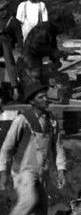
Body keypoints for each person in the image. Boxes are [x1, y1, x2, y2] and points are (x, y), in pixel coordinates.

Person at [0, 81, 67, 215]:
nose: (45, 99)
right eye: (40, 97)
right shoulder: (22, 120)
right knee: (29, 200)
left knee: (40, 209)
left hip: (43, 169)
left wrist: (61, 169)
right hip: (23, 170)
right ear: (32, 101)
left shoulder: (51, 121)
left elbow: (58, 146)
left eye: (45, 96)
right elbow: (7, 148)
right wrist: (3, 172)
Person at [21, 11, 74, 87]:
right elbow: (36, 46)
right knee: (36, 84)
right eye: (63, 29)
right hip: (30, 59)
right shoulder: (45, 29)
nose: (62, 32)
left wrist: (56, 59)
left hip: (33, 57)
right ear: (59, 24)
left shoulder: (51, 30)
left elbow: (52, 46)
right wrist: (54, 53)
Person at [0, 0, 23, 102]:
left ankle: (14, 86)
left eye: (4, 9)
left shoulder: (14, 22)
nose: (2, 12)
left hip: (7, 43)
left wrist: (20, 47)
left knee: (9, 59)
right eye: (0, 10)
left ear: (8, 9)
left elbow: (19, 37)